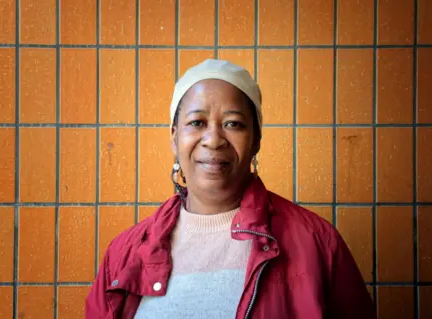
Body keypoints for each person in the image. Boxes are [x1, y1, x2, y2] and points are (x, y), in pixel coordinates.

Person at [85, 59, 376, 318]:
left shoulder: (317, 244)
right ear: (174, 138)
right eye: (197, 122)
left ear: (256, 140)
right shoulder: (124, 254)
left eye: (233, 124)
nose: (213, 139)